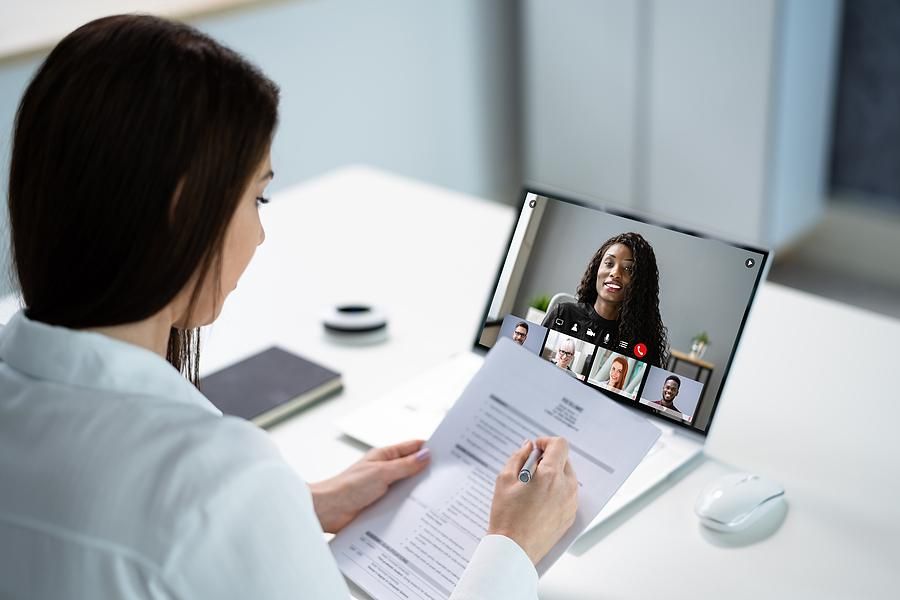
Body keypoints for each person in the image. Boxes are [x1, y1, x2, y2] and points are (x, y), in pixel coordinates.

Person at [0, 15, 578, 599]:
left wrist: (296, 508)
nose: (261, 233)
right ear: (182, 212)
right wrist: (511, 547)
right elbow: (183, 522)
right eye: (258, 196)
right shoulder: (219, 484)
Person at [542, 232, 668, 368]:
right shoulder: (564, 314)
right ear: (597, 269)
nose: (615, 273)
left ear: (640, 283)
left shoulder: (641, 343)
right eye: (609, 263)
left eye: (628, 269)